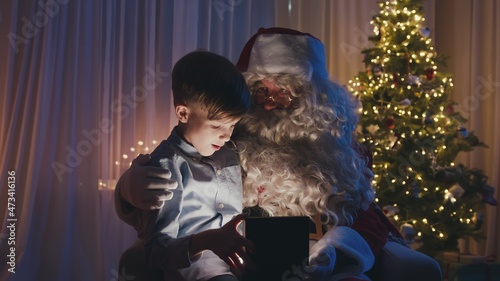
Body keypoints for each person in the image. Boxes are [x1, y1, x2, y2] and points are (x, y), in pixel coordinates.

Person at [116, 28, 442, 281]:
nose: (269, 103)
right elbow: (173, 195)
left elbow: (370, 220)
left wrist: (338, 248)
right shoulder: (222, 141)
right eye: (260, 91)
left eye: (284, 93)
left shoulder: (340, 154)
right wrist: (130, 188)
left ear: (313, 98)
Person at [116, 50, 256, 281]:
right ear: (183, 113)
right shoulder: (165, 168)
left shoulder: (229, 154)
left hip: (241, 267)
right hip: (199, 273)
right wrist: (207, 241)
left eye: (233, 125)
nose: (226, 135)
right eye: (217, 126)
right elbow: (155, 252)